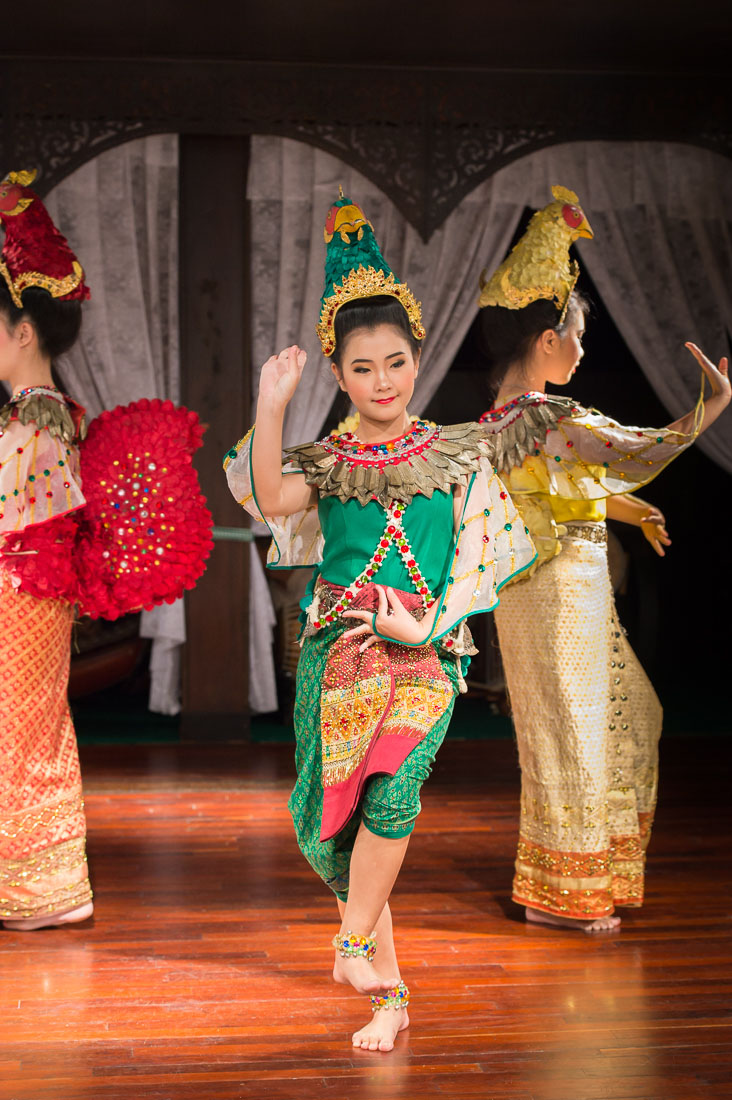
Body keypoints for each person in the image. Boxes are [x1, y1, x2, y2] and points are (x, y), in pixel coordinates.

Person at [225, 192, 536, 1050]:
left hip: (425, 654)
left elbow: (485, 557)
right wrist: (271, 401)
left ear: (417, 356)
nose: (384, 383)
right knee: (344, 829)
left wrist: (426, 627)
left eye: (395, 362)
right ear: (339, 374)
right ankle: (387, 995)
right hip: (338, 653)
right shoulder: (326, 461)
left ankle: (352, 945)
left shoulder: (459, 453)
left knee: (396, 792)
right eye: (363, 370)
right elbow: (268, 496)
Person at [477, 185, 730, 933]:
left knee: (602, 724)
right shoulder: (547, 414)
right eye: (578, 337)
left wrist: (623, 506)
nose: (585, 352)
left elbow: (557, 490)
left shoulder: (506, 415)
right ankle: (564, 893)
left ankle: (574, 878)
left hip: (550, 588)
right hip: (557, 588)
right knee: (577, 731)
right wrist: (707, 410)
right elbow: (636, 451)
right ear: (547, 339)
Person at [0, 169, 213, 931]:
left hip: (19, 592)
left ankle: (41, 891)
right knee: (27, 727)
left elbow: (17, 514)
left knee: (18, 729)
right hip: (28, 589)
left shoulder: (37, 416)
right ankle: (40, 886)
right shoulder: (43, 412)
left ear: (23, 331)